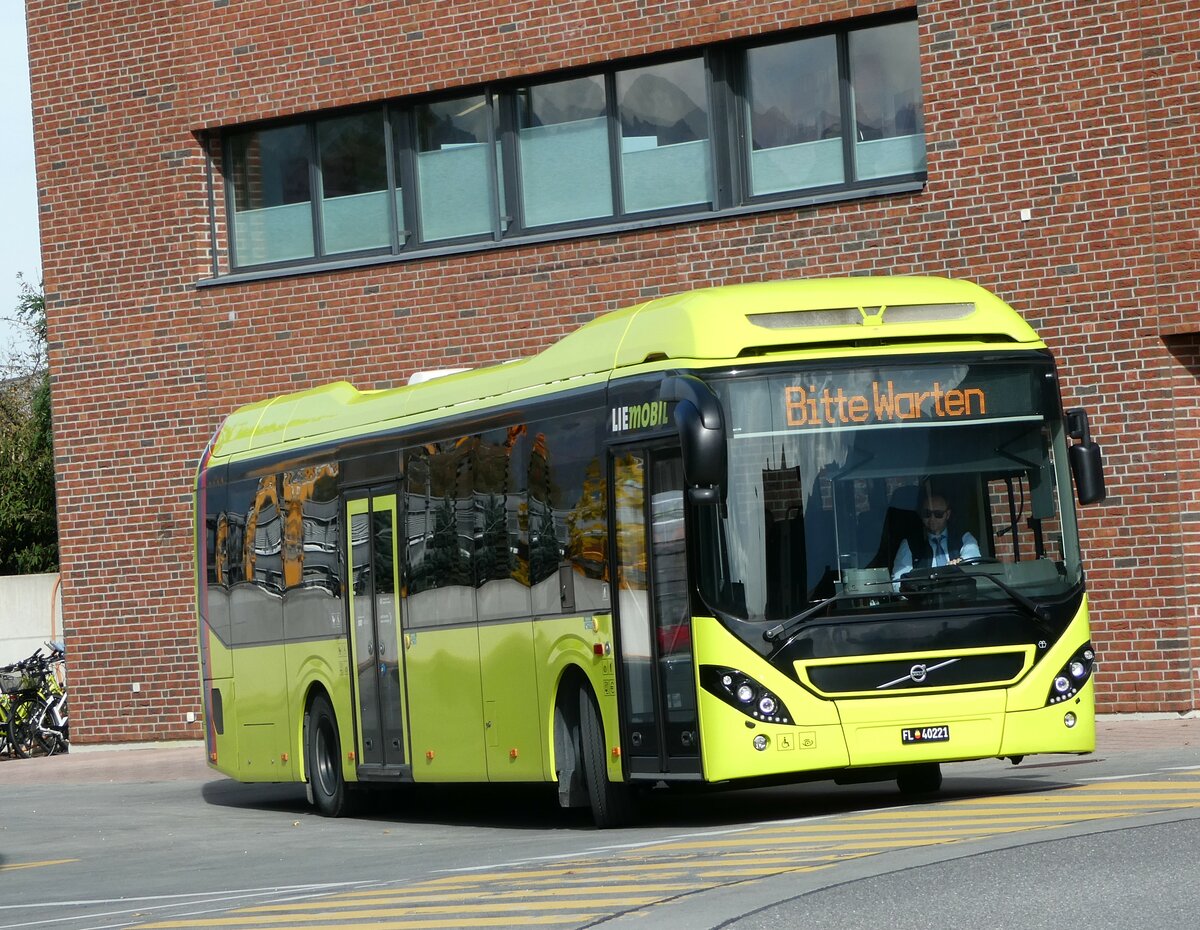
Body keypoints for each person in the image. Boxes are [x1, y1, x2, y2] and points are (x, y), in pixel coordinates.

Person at [892, 488, 980, 584]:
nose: (932, 518)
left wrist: (962, 562)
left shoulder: (963, 537)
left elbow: (974, 557)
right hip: (925, 593)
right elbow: (899, 580)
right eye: (927, 514)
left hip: (960, 592)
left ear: (947, 514)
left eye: (938, 514)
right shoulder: (909, 544)